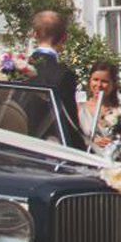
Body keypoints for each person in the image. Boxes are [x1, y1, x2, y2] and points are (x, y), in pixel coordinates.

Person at [24, 10, 86, 149]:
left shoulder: (17, 67)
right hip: (50, 148)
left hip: (18, 142)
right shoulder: (64, 74)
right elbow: (68, 120)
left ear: (34, 34)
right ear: (64, 37)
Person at [78, 61, 121, 157]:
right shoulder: (78, 109)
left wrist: (120, 141)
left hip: (115, 163)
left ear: (113, 84)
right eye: (95, 80)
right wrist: (91, 141)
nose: (99, 85)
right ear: (89, 81)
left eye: (105, 81)